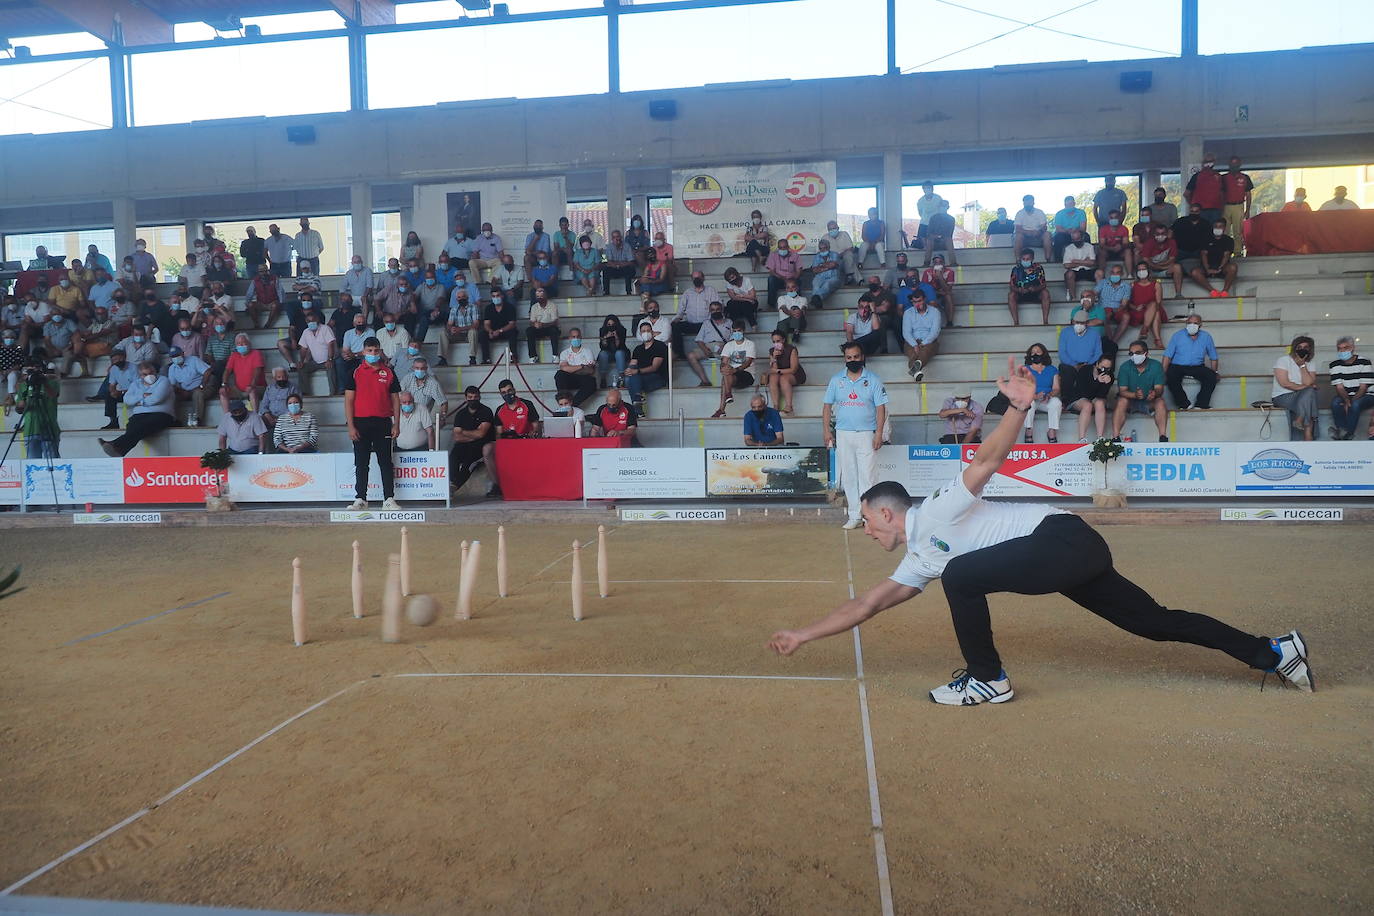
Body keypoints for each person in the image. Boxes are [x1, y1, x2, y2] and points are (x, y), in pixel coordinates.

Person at [765, 360, 1314, 705]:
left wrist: (1014, 408)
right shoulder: (918, 560)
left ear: (887, 512)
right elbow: (867, 605)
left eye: (866, 521)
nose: (865, 532)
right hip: (1068, 555)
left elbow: (984, 462)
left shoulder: (932, 512)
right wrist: (802, 635)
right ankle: (1272, 651)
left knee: (960, 574)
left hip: (1063, 540)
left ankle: (988, 679)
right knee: (1155, 624)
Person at [824, 342, 888, 530]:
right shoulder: (836, 380)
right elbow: (827, 406)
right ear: (845, 359)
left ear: (862, 357)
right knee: (850, 476)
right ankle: (854, 515)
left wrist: (879, 433)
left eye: (856, 357)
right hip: (843, 433)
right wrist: (827, 430)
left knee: (867, 476)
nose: (853, 360)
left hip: (867, 433)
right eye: (849, 357)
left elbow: (880, 408)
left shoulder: (874, 380)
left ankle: (869, 516)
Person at [343, 337, 402, 509]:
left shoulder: (389, 373)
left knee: (385, 462)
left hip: (383, 422)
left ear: (380, 351)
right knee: (361, 462)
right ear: (363, 352)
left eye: (376, 351)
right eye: (369, 351)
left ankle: (389, 499)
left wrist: (396, 424)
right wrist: (351, 426)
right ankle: (360, 498)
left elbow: (396, 400)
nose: (373, 354)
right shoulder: (354, 372)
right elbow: (348, 401)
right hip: (360, 423)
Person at [99, 361, 175, 456]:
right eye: (145, 374)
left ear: (156, 371)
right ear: (140, 375)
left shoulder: (164, 381)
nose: (149, 376)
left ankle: (116, 445)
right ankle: (119, 449)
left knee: (142, 426)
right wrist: (143, 395)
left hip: (161, 414)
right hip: (139, 415)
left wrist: (139, 402)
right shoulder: (136, 384)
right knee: (132, 425)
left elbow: (156, 399)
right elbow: (127, 399)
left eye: (151, 373)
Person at [1113, 340, 1169, 442]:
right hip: (1130, 401)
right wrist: (1134, 395)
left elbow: (1159, 389)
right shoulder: (1125, 367)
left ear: (1146, 353)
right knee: (1121, 401)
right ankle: (1116, 438)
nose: (1134, 356)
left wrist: (1154, 393)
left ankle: (1163, 437)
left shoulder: (1156, 366)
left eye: (1137, 353)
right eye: (1131, 353)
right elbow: (1122, 391)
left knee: (1160, 402)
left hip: (1149, 402)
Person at [1162, 314, 1219, 411]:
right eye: (1189, 323)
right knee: (1171, 376)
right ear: (1186, 324)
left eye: (1195, 323)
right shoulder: (1177, 336)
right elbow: (1167, 356)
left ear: (1200, 325)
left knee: (1211, 377)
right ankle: (1183, 404)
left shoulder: (1206, 337)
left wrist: (1215, 372)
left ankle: (1201, 404)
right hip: (1178, 366)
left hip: (1197, 366)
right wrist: (1162, 373)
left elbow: (1213, 357)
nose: (1192, 325)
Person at [450, 386, 497, 493]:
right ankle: (451, 482)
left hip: (480, 446)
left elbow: (481, 434)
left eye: (475, 397)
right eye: (470, 397)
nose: (473, 399)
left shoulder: (486, 411)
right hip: (463, 444)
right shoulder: (461, 414)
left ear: (480, 397)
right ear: (466, 398)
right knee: (452, 457)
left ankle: (455, 486)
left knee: (469, 462)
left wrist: (463, 432)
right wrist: (473, 435)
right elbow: (456, 436)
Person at [1272, 336, 1319, 441]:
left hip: (1302, 396)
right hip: (1282, 396)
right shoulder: (1283, 360)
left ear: (1310, 349)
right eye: (1299, 347)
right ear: (1294, 348)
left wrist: (1302, 365)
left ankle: (1300, 419)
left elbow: (1308, 382)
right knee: (1310, 394)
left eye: (1306, 347)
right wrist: (1304, 387)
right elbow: (1285, 383)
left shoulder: (1310, 364)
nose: (1302, 349)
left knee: (1310, 393)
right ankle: (1308, 434)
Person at [1327, 336, 1374, 441]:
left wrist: (1351, 402)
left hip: (1367, 395)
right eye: (1339, 348)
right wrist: (1347, 400)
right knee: (1335, 403)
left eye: (1345, 347)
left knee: (1355, 405)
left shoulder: (1364, 362)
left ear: (1352, 348)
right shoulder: (1334, 365)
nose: (1342, 351)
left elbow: (1363, 387)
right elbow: (1339, 387)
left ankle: (1347, 434)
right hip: (1346, 395)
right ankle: (1343, 431)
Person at [14, 359, 60, 458]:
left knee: (53, 462)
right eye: (30, 370)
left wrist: (43, 381)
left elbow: (53, 395)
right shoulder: (23, 385)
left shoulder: (52, 382)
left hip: (48, 427)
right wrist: (22, 405)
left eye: (36, 369)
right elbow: (19, 409)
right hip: (30, 428)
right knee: (32, 463)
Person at [1056, 309, 1103, 406]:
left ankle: (1084, 400)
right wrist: (1074, 365)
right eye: (1076, 322)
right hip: (1069, 364)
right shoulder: (1065, 332)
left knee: (1087, 370)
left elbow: (1098, 353)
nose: (1078, 325)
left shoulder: (1094, 334)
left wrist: (1088, 363)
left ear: (1087, 323)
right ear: (1073, 321)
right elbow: (1062, 352)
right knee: (1065, 370)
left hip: (1087, 364)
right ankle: (1066, 401)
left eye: (1082, 323)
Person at [711, 320, 756, 419]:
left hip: (747, 374)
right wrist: (724, 368)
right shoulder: (729, 345)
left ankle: (722, 407)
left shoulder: (750, 344)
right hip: (731, 375)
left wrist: (734, 370)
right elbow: (724, 361)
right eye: (734, 331)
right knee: (725, 370)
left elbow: (748, 362)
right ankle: (726, 399)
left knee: (725, 377)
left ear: (743, 331)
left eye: (738, 331)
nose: (736, 333)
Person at [624, 320, 669, 415]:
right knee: (630, 378)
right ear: (640, 333)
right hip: (640, 378)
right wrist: (628, 370)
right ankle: (638, 401)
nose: (646, 333)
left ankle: (637, 409)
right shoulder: (638, 349)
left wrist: (636, 371)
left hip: (658, 377)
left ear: (652, 332)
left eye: (648, 330)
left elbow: (654, 367)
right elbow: (632, 364)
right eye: (643, 331)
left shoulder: (660, 346)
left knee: (632, 378)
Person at [1067, 355, 1116, 442]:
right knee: (1087, 405)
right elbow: (1083, 392)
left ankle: (1100, 437)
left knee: (1100, 403)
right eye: (1103, 367)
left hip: (1095, 400)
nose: (1104, 370)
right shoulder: (1085, 370)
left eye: (1107, 368)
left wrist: (1106, 384)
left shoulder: (1109, 376)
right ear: (1097, 364)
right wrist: (1097, 381)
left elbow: (1101, 395)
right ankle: (1081, 438)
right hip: (1079, 399)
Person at [1188, 218, 1240, 298]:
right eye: (1216, 226)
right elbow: (1203, 254)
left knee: (1233, 267)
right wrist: (1207, 268)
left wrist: (1220, 267)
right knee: (1195, 272)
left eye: (1220, 226)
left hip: (1222, 267)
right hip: (1207, 267)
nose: (1218, 228)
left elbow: (1226, 255)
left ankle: (1225, 291)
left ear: (1224, 228)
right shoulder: (1205, 238)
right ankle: (1212, 291)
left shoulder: (1229, 240)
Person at [1115, 265, 1164, 349]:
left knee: (1155, 307)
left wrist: (1147, 306)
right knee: (1156, 312)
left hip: (1153, 309)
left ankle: (1145, 329)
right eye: (1139, 270)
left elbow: (1158, 302)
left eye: (1143, 269)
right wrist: (1135, 308)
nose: (1141, 271)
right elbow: (1127, 302)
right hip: (1137, 311)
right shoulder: (1132, 285)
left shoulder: (1156, 284)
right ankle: (1157, 340)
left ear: (1148, 270)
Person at [1022, 342, 1061, 443]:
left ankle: (1052, 431)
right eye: (1033, 352)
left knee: (1056, 402)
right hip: (1031, 398)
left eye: (1038, 352)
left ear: (1043, 354)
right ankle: (1028, 430)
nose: (1035, 354)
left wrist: (1049, 395)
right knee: (1028, 402)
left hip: (1046, 399)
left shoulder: (1052, 369)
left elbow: (1056, 388)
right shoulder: (1025, 369)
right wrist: (1035, 396)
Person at [685, 304, 732, 387]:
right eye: (713, 310)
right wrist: (704, 349)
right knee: (691, 356)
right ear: (710, 311)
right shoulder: (706, 323)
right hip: (708, 347)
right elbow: (699, 340)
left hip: (724, 347)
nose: (715, 311)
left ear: (722, 310)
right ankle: (705, 381)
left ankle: (727, 383)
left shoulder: (729, 322)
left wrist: (725, 347)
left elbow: (734, 338)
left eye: (718, 309)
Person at [761, 330, 805, 417]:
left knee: (783, 378)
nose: (776, 344)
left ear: (783, 340)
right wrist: (774, 357)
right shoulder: (772, 351)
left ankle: (789, 406)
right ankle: (776, 406)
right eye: (774, 342)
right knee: (773, 378)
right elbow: (774, 369)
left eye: (778, 341)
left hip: (794, 374)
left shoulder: (791, 349)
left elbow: (793, 369)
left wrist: (778, 371)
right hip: (780, 372)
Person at [901, 289, 940, 382]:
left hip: (929, 341)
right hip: (912, 341)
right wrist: (915, 344)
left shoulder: (935, 312)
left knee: (925, 350)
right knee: (912, 352)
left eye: (919, 301)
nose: (917, 304)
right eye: (914, 302)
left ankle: (916, 367)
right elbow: (906, 332)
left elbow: (935, 332)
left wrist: (923, 343)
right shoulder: (908, 313)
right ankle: (916, 370)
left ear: (925, 299)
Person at [166, 345, 211, 426]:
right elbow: (172, 385)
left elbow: (207, 371)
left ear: (182, 353)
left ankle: (197, 420)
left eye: (177, 355)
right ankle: (174, 421)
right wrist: (181, 391)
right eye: (173, 356)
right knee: (172, 396)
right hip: (185, 391)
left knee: (197, 393)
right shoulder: (172, 368)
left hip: (200, 387)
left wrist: (201, 386)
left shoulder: (193, 360)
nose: (175, 357)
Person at [221, 332, 265, 413]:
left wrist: (252, 385)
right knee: (222, 392)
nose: (241, 345)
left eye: (243, 343)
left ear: (249, 343)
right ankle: (227, 418)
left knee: (252, 391)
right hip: (239, 389)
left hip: (256, 387)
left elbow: (257, 370)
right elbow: (227, 370)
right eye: (238, 343)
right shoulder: (234, 355)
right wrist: (224, 384)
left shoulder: (256, 353)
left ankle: (255, 417)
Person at [1219, 156, 1254, 254]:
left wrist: (1248, 210)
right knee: (1225, 231)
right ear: (1229, 165)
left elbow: (1248, 194)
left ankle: (1237, 252)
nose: (1234, 166)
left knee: (1238, 231)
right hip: (1226, 206)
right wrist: (1220, 209)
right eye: (1232, 164)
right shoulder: (1224, 178)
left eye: (1236, 164)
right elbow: (1220, 194)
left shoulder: (1245, 178)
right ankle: (1224, 251)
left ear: (1239, 165)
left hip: (1239, 205)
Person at [1007, 249, 1050, 326]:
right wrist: (1019, 290)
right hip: (1020, 294)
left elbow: (1044, 284)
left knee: (1045, 293)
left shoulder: (1038, 268)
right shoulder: (1016, 269)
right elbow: (1011, 286)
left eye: (1027, 259)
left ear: (1032, 259)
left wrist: (1035, 289)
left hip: (1035, 293)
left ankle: (1045, 321)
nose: (1025, 261)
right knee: (1011, 295)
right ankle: (1016, 323)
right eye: (1023, 259)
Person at [555, 329, 597, 405]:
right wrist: (581, 366)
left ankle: (572, 404)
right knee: (559, 375)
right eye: (573, 337)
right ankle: (562, 401)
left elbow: (590, 370)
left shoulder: (588, 351)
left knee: (592, 383)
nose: (576, 339)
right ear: (569, 338)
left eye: (578, 336)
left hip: (583, 378)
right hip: (570, 379)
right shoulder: (564, 353)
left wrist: (570, 368)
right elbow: (563, 369)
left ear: (581, 337)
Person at [480, 291, 519, 364]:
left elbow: (512, 324)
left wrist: (500, 331)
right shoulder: (488, 308)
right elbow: (486, 324)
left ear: (502, 296)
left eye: (497, 295)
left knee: (513, 332)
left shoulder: (510, 307)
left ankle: (514, 357)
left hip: (505, 331)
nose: (496, 298)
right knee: (482, 334)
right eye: (493, 296)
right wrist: (490, 331)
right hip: (493, 332)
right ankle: (486, 359)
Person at [1185, 154, 1224, 223]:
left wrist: (1222, 208)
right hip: (1201, 211)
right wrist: (1193, 206)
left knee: (1214, 232)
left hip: (1216, 210)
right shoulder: (1196, 176)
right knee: (1201, 231)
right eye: (1206, 161)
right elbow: (1186, 194)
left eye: (1211, 161)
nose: (1209, 163)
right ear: (1203, 163)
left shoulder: (1219, 176)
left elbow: (1222, 194)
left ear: (1214, 162)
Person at [1059, 229, 1096, 302]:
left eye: (1078, 239)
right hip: (1075, 271)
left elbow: (1092, 263)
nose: (1076, 241)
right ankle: (1073, 298)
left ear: (1082, 238)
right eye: (1074, 239)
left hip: (1088, 270)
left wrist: (1076, 261)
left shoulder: (1089, 247)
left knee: (1100, 273)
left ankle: (1098, 296)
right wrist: (1085, 261)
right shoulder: (1068, 248)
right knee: (1069, 274)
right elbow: (1066, 265)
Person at [1013, 195, 1051, 263]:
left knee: (1047, 234)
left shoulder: (1040, 212)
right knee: (1018, 236)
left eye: (1029, 202)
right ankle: (1018, 260)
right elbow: (1017, 228)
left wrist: (1038, 232)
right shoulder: (1019, 213)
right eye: (1026, 202)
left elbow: (1044, 227)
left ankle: (1048, 259)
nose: (1028, 204)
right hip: (1024, 238)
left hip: (1038, 237)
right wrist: (1027, 232)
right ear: (1023, 203)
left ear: (1033, 202)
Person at [764, 239, 801, 309]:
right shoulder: (773, 255)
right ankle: (771, 305)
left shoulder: (795, 255)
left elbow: (799, 271)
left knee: (798, 281)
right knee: (771, 279)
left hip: (791, 279)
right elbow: (771, 271)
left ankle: (797, 304)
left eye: (784, 247)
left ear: (788, 247)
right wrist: (782, 278)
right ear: (778, 248)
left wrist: (792, 280)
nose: (782, 249)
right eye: (780, 248)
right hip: (779, 279)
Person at [920, 255, 956, 326]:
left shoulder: (949, 272)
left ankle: (949, 322)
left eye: (940, 262)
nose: (938, 264)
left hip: (944, 295)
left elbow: (948, 289)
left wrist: (940, 277)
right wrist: (938, 292)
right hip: (931, 294)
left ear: (944, 263)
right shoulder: (927, 272)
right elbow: (925, 289)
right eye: (935, 262)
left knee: (948, 296)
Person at [525, 288, 560, 363]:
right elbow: (531, 322)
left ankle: (555, 355)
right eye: (538, 297)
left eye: (541, 296)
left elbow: (555, 322)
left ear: (546, 295)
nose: (539, 298)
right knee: (529, 330)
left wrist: (543, 325)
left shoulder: (552, 305)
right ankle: (533, 356)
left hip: (549, 328)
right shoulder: (534, 307)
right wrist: (535, 324)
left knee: (554, 330)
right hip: (538, 329)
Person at [1095, 209, 1132, 275]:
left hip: (1120, 251)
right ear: (1109, 219)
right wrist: (1111, 248)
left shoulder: (1124, 229)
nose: (1113, 219)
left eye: (1115, 217)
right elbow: (1102, 244)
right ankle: (1101, 274)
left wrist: (1121, 246)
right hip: (1108, 251)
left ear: (1119, 218)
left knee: (1128, 251)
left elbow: (1126, 243)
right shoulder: (1103, 229)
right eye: (1111, 218)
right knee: (1101, 251)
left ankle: (1129, 274)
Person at [922, 200, 958, 268]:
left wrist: (940, 237)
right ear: (939, 207)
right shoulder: (933, 218)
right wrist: (937, 236)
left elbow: (949, 234)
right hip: (933, 242)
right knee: (929, 240)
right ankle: (926, 262)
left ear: (948, 207)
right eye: (941, 206)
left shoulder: (951, 219)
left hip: (945, 242)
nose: (943, 208)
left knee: (949, 240)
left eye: (944, 206)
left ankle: (953, 262)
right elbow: (929, 233)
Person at [1051, 195, 1088, 262]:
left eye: (1071, 204)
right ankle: (1058, 260)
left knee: (1086, 236)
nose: (1069, 206)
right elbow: (1058, 229)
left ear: (1074, 204)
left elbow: (1083, 228)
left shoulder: (1081, 212)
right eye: (1067, 204)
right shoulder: (1059, 214)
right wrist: (1067, 231)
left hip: (1077, 232)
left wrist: (1075, 231)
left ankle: (1087, 258)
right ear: (1065, 205)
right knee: (1058, 238)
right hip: (1064, 233)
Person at [600, 230, 637, 296]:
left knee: (630, 269)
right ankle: (606, 293)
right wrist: (618, 263)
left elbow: (631, 262)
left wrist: (616, 263)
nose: (616, 239)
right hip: (613, 269)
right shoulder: (607, 246)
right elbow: (604, 261)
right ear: (612, 239)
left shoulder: (627, 246)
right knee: (605, 271)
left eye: (618, 236)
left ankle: (629, 292)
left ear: (621, 237)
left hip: (624, 268)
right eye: (614, 237)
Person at [596, 315, 629, 387]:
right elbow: (602, 347)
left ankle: (621, 378)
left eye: (613, 324)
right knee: (603, 354)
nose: (611, 326)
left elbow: (621, 346)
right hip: (608, 353)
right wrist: (605, 337)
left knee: (619, 353)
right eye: (609, 324)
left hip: (620, 352)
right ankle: (603, 379)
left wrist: (616, 337)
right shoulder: (603, 330)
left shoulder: (622, 330)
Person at [912, 181, 945, 250]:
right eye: (926, 188)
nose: (927, 189)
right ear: (923, 189)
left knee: (937, 238)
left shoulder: (938, 198)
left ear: (932, 188)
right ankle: (925, 248)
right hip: (924, 222)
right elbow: (920, 213)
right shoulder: (920, 201)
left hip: (936, 223)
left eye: (929, 187)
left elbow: (941, 209)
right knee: (922, 236)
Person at [774, 280, 808, 346]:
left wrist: (797, 311)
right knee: (781, 331)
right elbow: (784, 309)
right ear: (786, 289)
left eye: (793, 287)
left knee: (795, 308)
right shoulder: (781, 298)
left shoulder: (803, 299)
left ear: (797, 288)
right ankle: (793, 337)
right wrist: (793, 312)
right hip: (785, 322)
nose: (790, 289)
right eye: (788, 287)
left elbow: (803, 310)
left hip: (800, 322)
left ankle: (796, 331)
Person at [810, 239, 842, 307]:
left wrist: (821, 266)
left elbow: (833, 265)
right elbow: (814, 270)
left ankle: (816, 299)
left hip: (833, 278)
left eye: (825, 248)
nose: (822, 250)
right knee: (815, 284)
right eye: (820, 249)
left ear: (829, 247)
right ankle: (817, 301)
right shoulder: (817, 256)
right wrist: (828, 266)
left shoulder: (835, 254)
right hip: (820, 277)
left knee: (827, 285)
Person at [855, 207, 886, 273]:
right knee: (863, 245)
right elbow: (863, 236)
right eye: (871, 214)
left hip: (879, 242)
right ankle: (860, 263)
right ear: (868, 215)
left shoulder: (881, 223)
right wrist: (870, 243)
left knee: (879, 246)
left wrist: (874, 243)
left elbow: (882, 236)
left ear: (877, 214)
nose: (873, 215)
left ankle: (883, 263)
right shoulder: (865, 223)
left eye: (874, 213)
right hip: (868, 242)